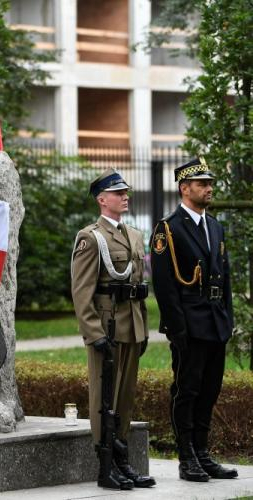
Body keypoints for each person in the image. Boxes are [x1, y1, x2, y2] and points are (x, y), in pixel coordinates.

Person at [150, 158, 237, 482]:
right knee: (187, 390)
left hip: (215, 323)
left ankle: (203, 453)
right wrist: (178, 329)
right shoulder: (169, 228)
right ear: (185, 189)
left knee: (210, 390)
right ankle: (186, 458)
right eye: (202, 184)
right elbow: (164, 286)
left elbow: (224, 278)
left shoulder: (215, 226)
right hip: (190, 325)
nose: (209, 188)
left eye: (210, 182)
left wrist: (227, 318)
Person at [71, 169, 155, 490]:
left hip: (131, 325)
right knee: (103, 396)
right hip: (106, 326)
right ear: (102, 199)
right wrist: (93, 333)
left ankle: (121, 458)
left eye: (126, 192)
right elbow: (82, 291)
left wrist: (143, 327)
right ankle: (105, 462)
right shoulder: (90, 237)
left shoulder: (133, 235)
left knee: (124, 397)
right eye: (118, 193)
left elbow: (137, 286)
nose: (125, 197)